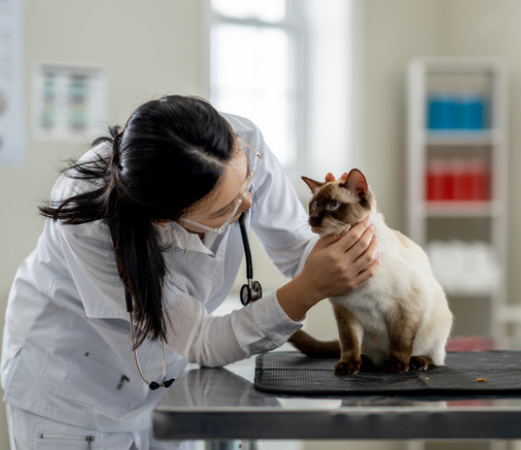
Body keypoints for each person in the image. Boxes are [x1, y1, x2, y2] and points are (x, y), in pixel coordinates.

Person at [1, 95, 380, 449]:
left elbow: (300, 249)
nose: (249, 201)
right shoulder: (91, 228)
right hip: (68, 393)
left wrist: (351, 231)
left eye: (247, 182)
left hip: (166, 389)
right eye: (225, 209)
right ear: (164, 219)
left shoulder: (238, 145)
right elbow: (200, 339)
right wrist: (306, 290)